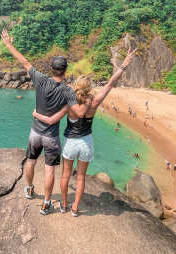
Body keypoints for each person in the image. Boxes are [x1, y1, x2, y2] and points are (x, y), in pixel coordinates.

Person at [33, 47, 137, 217]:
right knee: (81, 177)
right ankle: (75, 209)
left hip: (70, 143)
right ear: (88, 88)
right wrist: (123, 65)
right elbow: (110, 84)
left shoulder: (69, 101)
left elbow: (51, 107)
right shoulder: (94, 101)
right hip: (87, 143)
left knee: (66, 176)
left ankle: (64, 205)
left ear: (76, 86)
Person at [1, 30, 90, 215]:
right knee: (49, 171)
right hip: (51, 136)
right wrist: (75, 105)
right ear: (65, 71)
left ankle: (30, 189)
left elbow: (24, 62)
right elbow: (81, 113)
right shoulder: (67, 91)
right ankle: (47, 203)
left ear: (51, 69)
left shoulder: (40, 79)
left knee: (31, 162)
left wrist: (9, 44)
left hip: (35, 132)